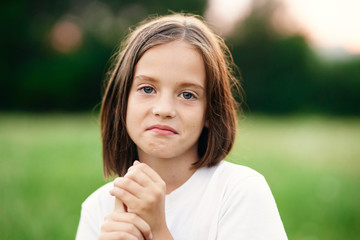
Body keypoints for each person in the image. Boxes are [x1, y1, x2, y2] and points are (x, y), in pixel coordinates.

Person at [76, 13, 287, 240]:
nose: (164, 109)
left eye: (187, 94)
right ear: (122, 101)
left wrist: (157, 231)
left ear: (210, 112)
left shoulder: (239, 192)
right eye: (147, 89)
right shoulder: (98, 209)